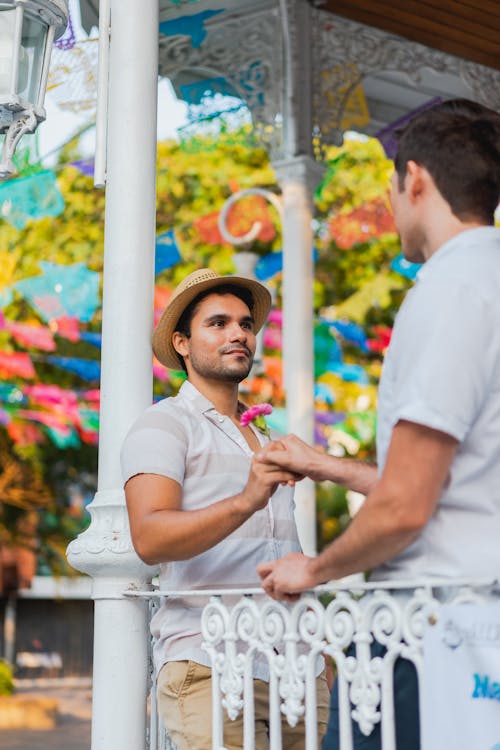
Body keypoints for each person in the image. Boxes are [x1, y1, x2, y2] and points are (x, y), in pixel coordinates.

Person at [256, 98, 500, 748]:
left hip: (434, 633)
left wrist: (314, 569)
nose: (390, 205)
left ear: (414, 179)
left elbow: (406, 507)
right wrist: (326, 464)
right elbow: (459, 480)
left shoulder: (451, 291)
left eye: (390, 187)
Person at [121, 268, 329, 750]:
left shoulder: (268, 437)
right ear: (182, 343)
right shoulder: (163, 425)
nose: (238, 333)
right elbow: (149, 539)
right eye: (217, 323)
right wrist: (245, 500)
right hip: (212, 660)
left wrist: (320, 658)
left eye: (245, 324)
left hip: (299, 665)